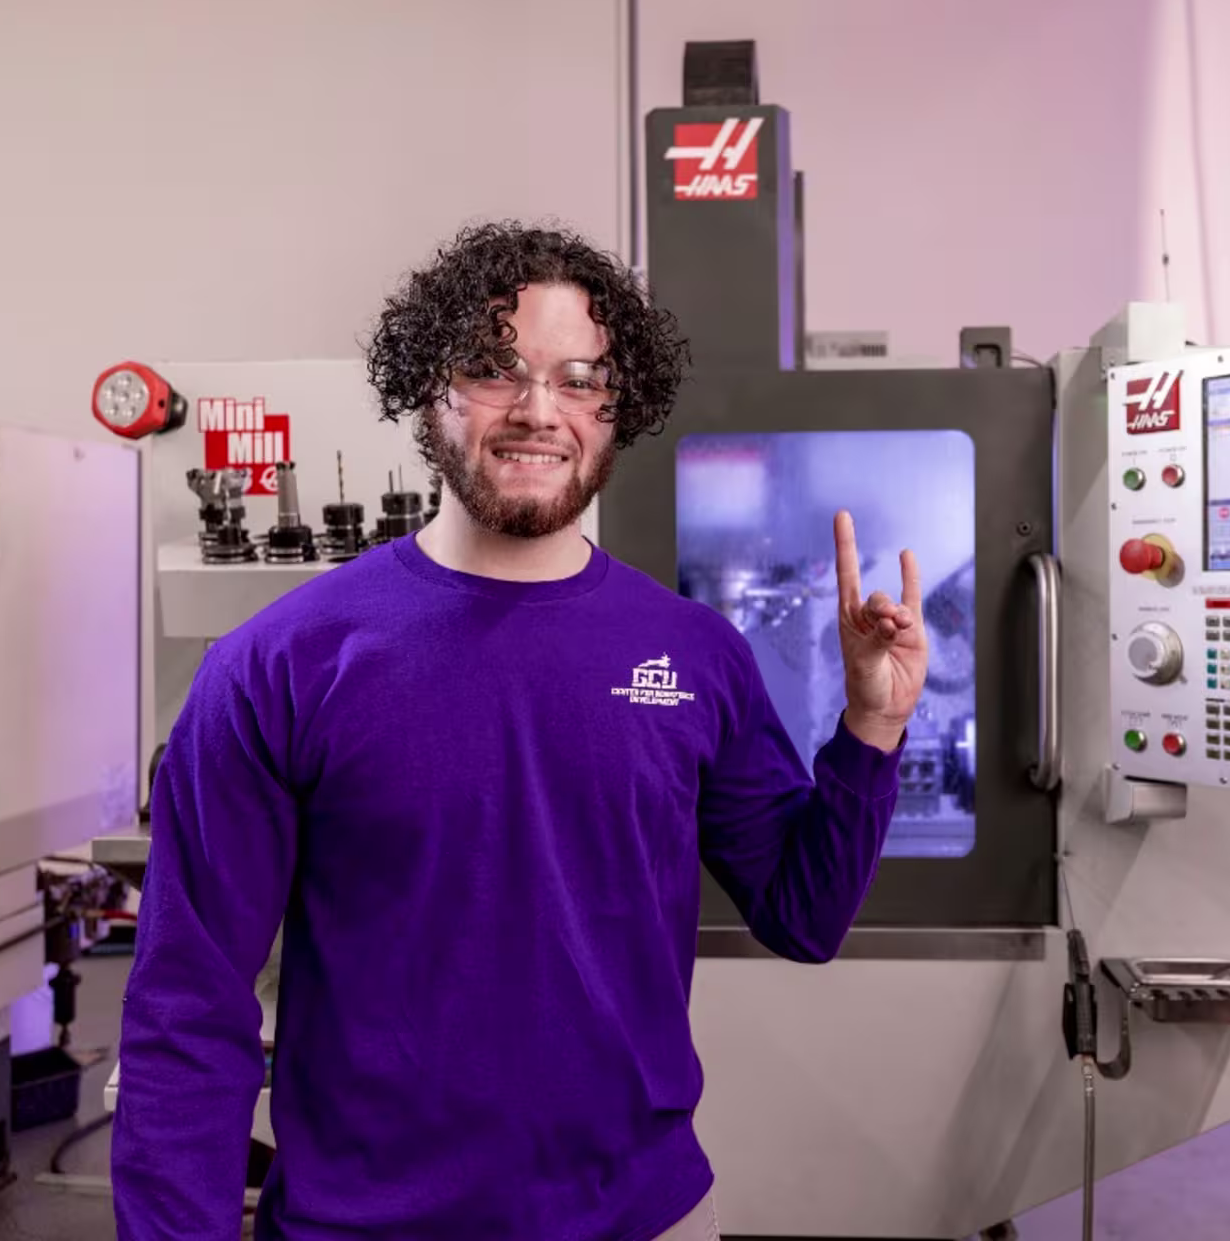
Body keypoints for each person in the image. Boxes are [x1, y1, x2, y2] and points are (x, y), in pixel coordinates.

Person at [111, 221, 929, 1240]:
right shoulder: (278, 666)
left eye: (581, 379)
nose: (540, 410)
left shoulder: (695, 653)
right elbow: (188, 1010)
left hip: (642, 1220)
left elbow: (804, 916)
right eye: (496, 369)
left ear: (617, 409)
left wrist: (872, 726)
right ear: (431, 388)